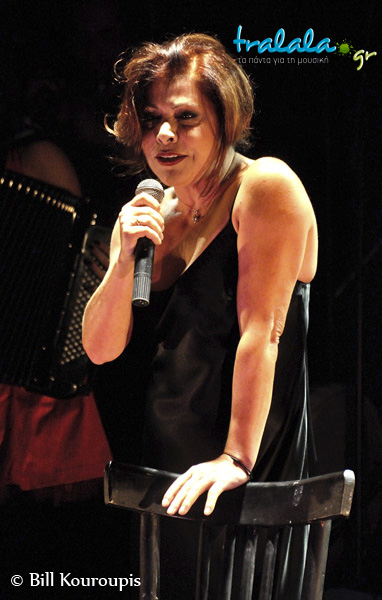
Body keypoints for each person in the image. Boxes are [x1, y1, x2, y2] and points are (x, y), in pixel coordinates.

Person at [82, 32, 318, 599]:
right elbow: (100, 349)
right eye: (152, 119)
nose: (164, 135)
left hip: (240, 474)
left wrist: (235, 458)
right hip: (164, 477)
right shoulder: (147, 215)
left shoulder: (264, 186)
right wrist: (123, 261)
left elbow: (263, 332)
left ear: (225, 120)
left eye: (185, 118)